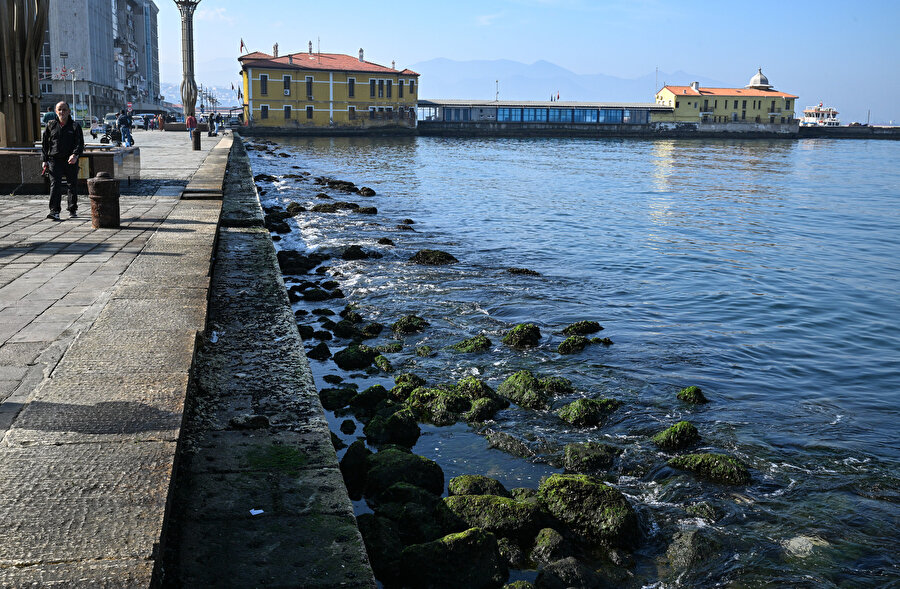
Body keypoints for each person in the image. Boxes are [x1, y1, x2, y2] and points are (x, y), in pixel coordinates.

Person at [41, 101, 84, 221]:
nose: (62, 112)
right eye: (59, 109)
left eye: (64, 110)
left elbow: (79, 143)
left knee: (72, 185)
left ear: (69, 111)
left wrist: (75, 155)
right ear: (56, 111)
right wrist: (44, 160)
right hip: (55, 160)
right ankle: (54, 211)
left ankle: (72, 208)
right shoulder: (51, 125)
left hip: (71, 160)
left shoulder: (75, 126)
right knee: (55, 185)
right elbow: (45, 144)